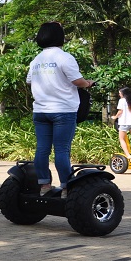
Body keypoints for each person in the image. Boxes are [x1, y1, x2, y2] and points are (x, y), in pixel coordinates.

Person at [26, 21, 94, 197]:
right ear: (60, 37)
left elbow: (29, 81)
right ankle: (66, 186)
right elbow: (77, 81)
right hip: (63, 110)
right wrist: (88, 83)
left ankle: (44, 185)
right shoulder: (65, 57)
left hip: (40, 111)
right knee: (62, 150)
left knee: (42, 149)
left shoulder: (36, 61)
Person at [110, 87, 131, 160]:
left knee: (121, 138)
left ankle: (128, 155)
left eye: (120, 93)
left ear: (124, 94)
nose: (119, 94)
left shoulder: (122, 101)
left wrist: (115, 117)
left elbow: (120, 111)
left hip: (124, 122)